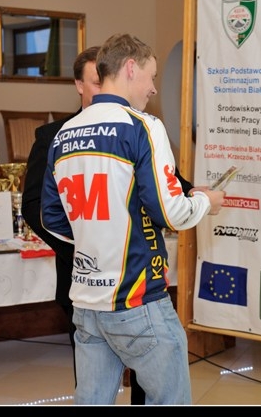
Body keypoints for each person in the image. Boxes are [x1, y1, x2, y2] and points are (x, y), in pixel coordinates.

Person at [40, 32, 225, 405]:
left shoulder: (63, 134)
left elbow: (52, 218)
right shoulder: (142, 125)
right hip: (137, 298)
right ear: (129, 68)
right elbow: (171, 212)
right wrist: (206, 201)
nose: (154, 88)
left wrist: (98, 235)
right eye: (151, 76)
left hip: (87, 301)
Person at [22, 45, 148, 404]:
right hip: (81, 276)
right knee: (93, 382)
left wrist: (193, 193)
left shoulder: (135, 128)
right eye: (96, 82)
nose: (106, 89)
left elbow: (164, 183)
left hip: (134, 276)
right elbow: (34, 207)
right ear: (79, 85)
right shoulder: (52, 136)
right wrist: (81, 248)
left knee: (146, 371)